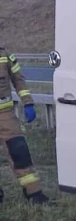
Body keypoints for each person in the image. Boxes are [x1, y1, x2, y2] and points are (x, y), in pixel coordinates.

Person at [0, 46, 49, 204]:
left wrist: (28, 103)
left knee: (19, 150)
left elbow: (18, 80)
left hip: (4, 115)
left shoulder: (5, 55)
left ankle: (34, 193)